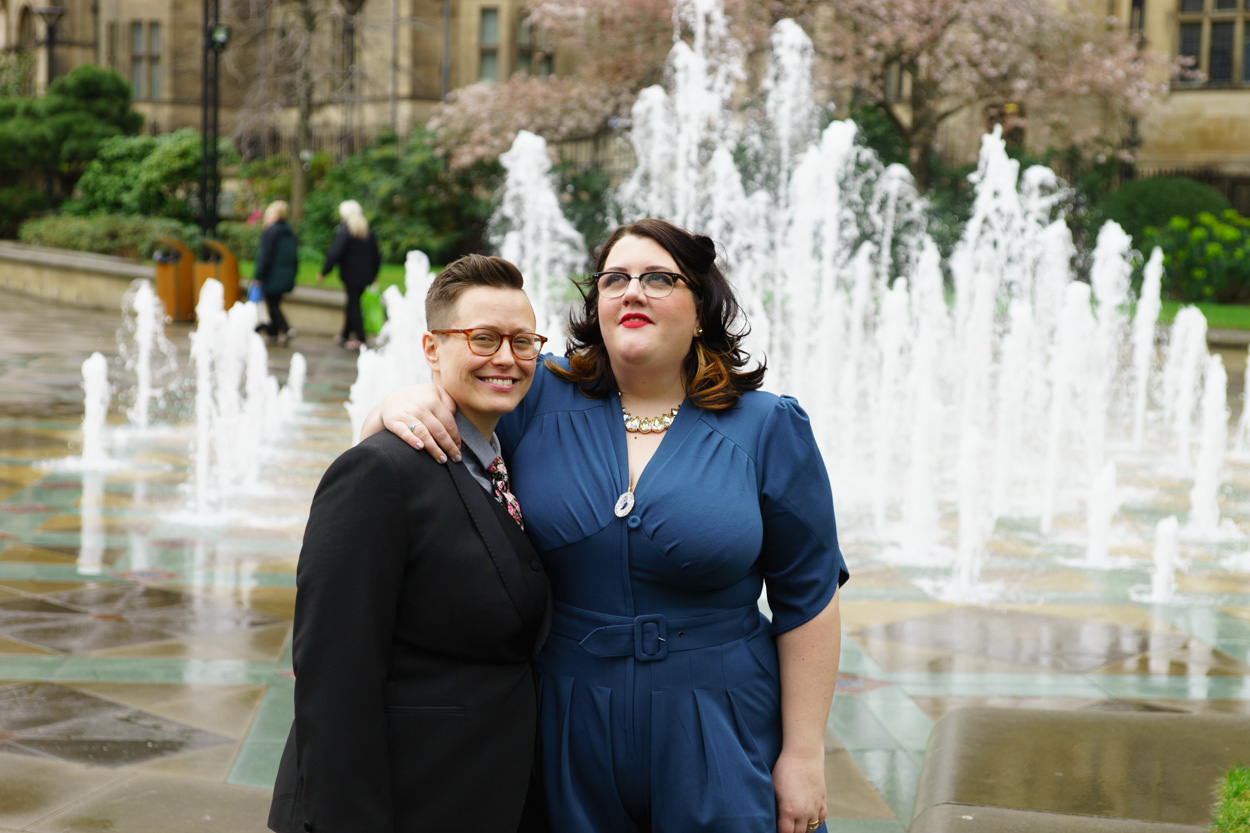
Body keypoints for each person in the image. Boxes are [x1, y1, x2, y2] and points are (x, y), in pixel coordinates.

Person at [361, 219, 848, 833]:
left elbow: (809, 599)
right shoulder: (539, 397)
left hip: (720, 719)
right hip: (564, 716)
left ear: (701, 309)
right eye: (615, 278)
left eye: (658, 278)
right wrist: (394, 404)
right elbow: (433, 418)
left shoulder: (768, 426)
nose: (632, 291)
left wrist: (803, 756)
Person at [268, 254, 552, 833]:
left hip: (480, 795)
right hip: (399, 803)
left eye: (524, 343)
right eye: (483, 338)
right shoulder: (378, 474)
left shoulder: (511, 459)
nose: (507, 358)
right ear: (431, 349)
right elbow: (333, 677)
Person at [316, 199, 381, 351]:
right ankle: (344, 335)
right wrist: (374, 274)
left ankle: (360, 339)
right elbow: (376, 255)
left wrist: (324, 271)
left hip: (351, 275)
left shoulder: (346, 230)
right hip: (365, 276)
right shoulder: (366, 229)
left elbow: (335, 253)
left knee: (354, 305)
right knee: (352, 302)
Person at [251, 200, 298, 346]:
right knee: (274, 302)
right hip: (285, 274)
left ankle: (285, 328)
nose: (266, 216)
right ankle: (272, 333)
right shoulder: (288, 231)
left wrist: (258, 276)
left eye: (269, 214)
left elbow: (265, 256)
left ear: (277, 216)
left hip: (273, 274)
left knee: (272, 304)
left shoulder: (271, 231)